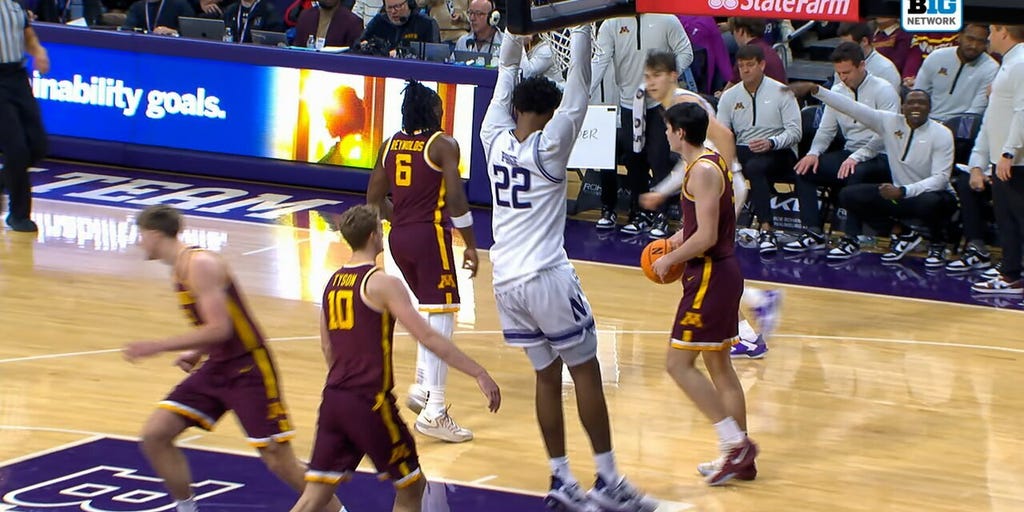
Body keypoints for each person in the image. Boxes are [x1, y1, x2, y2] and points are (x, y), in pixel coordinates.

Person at [480, 27, 658, 511]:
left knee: (545, 375)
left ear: (516, 109)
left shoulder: (492, 138)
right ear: (548, 113)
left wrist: (514, 34)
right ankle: (608, 480)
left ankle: (560, 479)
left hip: (504, 280)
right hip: (545, 275)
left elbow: (504, 74)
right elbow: (579, 89)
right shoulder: (552, 144)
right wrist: (583, 33)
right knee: (586, 372)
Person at [122, 205, 346, 512]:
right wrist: (196, 351)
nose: (139, 243)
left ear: (153, 234)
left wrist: (158, 346)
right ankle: (186, 508)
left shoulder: (199, 264)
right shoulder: (179, 267)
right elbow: (217, 324)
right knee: (155, 435)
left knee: (278, 460)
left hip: (247, 368)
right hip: (218, 365)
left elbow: (220, 329)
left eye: (140, 236)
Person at [288, 204, 500, 512]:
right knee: (412, 486)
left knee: (314, 497)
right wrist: (478, 371)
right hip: (369, 402)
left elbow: (327, 347)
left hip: (334, 398)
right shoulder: (382, 283)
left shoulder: (332, 283)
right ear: (374, 235)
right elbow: (427, 336)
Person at [639, 50, 782, 359]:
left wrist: (727, 175)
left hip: (720, 182)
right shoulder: (672, 104)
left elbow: (724, 135)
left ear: (673, 76)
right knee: (705, 264)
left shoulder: (682, 103)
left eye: (657, 75)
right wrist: (664, 190)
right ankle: (754, 309)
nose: (651, 82)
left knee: (703, 259)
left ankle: (748, 324)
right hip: (715, 180)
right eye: (647, 76)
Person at [649, 102, 758, 486]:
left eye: (667, 129)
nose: (665, 135)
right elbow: (701, 224)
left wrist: (670, 259)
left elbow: (708, 236)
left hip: (710, 276)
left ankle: (735, 446)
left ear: (680, 132)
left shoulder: (705, 171)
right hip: (718, 274)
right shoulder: (706, 164)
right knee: (720, 367)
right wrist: (673, 240)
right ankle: (740, 456)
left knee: (678, 365)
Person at [366, 80, 480, 443]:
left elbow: (373, 198)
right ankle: (436, 409)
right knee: (443, 314)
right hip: (430, 235)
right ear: (432, 112)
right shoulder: (444, 144)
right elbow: (458, 201)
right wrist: (472, 244)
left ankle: (420, 386)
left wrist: (398, 216)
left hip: (399, 238)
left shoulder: (389, 145)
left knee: (428, 310)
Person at [787, 83, 957, 266]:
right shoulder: (890, 122)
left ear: (930, 108)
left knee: (930, 201)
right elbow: (852, 108)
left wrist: (904, 190)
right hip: (899, 196)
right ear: (903, 107)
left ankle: (937, 245)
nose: (916, 106)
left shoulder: (942, 134)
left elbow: (941, 179)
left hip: (935, 196)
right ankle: (904, 234)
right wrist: (817, 91)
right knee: (849, 195)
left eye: (922, 103)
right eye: (911, 103)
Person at [785, 42, 900, 253]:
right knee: (804, 170)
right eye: (839, 73)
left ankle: (851, 238)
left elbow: (887, 134)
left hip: (882, 155)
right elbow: (826, 130)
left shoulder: (884, 90)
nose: (843, 77)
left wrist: (858, 156)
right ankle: (813, 232)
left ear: (862, 65)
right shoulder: (836, 90)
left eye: (847, 72)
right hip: (850, 152)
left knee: (855, 171)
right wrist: (813, 153)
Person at [590, 13, 693, 237]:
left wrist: (666, 78)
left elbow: (686, 52)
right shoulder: (610, 23)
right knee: (633, 159)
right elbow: (600, 60)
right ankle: (638, 214)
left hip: (660, 101)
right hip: (628, 101)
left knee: (658, 158)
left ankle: (661, 216)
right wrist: (584, 93)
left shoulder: (667, 19)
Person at [969, 25, 1024, 296]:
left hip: (1015, 161)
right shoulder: (1009, 63)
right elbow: (995, 116)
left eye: (991, 31)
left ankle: (1013, 274)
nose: (988, 37)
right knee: (1008, 221)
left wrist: (1009, 152)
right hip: (1003, 158)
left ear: (1004, 32)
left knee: (1016, 221)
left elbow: (1023, 111)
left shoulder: (1021, 62)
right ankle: (1011, 272)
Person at [1, 0, 48, 233]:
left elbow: (27, 34)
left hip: (17, 76)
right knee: (16, 149)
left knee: (38, 145)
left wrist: (38, 51)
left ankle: (5, 178)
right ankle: (18, 215)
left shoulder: (14, 4)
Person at [912, 24, 998, 122]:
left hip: (961, 126)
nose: (974, 46)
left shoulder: (991, 68)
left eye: (981, 42)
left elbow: (976, 111)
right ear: (959, 37)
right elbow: (918, 95)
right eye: (970, 39)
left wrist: (958, 133)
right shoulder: (937, 57)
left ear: (987, 44)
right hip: (929, 122)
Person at [359, 0, 440, 52]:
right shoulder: (379, 21)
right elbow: (358, 45)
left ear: (409, 3)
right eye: (389, 8)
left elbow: (436, 59)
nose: (393, 11)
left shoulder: (427, 24)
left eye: (398, 7)